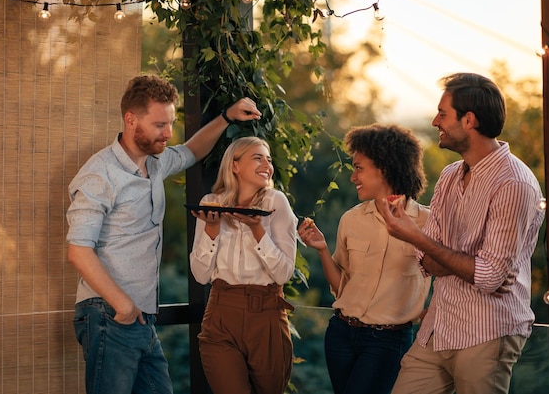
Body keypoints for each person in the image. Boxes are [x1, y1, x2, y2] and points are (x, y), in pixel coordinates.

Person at [66, 74, 261, 394]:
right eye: (159, 125)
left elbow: (191, 150)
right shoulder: (99, 175)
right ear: (131, 120)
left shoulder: (155, 162)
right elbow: (79, 251)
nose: (168, 133)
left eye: (170, 123)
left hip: (140, 318)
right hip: (109, 314)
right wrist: (123, 306)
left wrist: (227, 116)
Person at [379, 73, 545, 394]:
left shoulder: (514, 184)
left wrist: (417, 236)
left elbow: (488, 277)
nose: (434, 120)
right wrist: (455, 259)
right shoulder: (450, 174)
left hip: (488, 333)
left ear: (468, 120)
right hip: (439, 325)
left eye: (443, 114)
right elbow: (428, 262)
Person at [297, 123, 431, 394]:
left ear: (384, 167)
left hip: (388, 340)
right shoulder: (352, 219)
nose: (353, 177)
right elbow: (340, 288)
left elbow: (447, 277)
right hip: (340, 335)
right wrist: (323, 249)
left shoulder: (428, 222)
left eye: (359, 168)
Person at [188, 136, 297, 394]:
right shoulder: (210, 203)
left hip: (267, 315)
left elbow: (283, 272)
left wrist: (257, 229)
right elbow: (201, 275)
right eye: (257, 158)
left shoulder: (276, 203)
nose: (267, 165)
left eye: (269, 160)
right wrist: (212, 230)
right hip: (221, 314)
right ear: (235, 166)